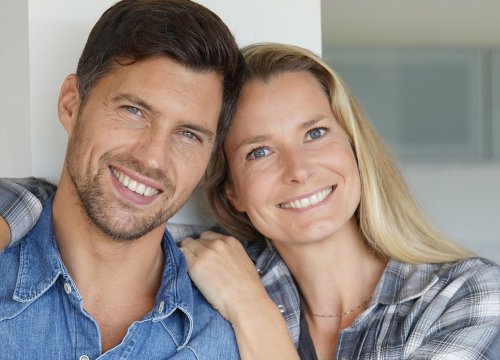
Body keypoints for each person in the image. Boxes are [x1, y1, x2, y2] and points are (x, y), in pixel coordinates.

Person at [2, 43, 500, 359]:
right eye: (259, 151)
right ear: (231, 191)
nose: (298, 170)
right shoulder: (219, 263)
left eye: (316, 133)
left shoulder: (468, 297)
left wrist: (253, 313)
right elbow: (101, 201)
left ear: (354, 146)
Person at [0, 0, 245, 358]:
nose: (152, 157)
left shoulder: (237, 335)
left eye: (189, 134)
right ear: (71, 104)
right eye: (134, 111)